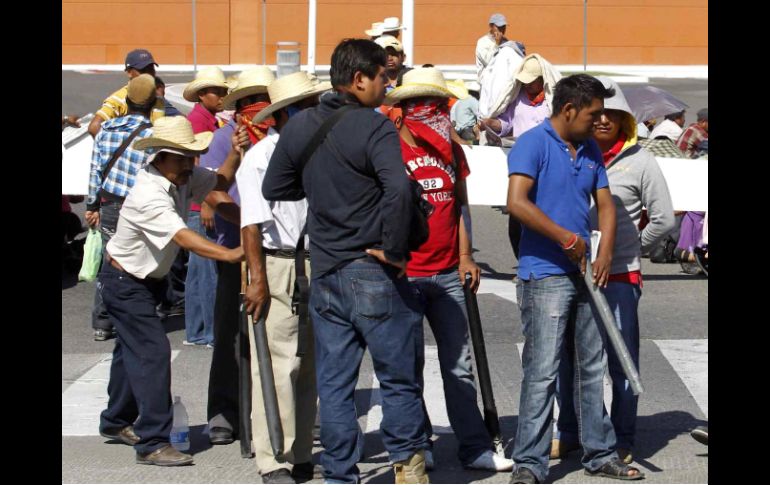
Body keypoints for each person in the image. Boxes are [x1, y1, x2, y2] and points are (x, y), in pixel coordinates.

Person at [262, 38, 430, 484]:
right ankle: (409, 470)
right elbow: (397, 188)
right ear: (359, 79)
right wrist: (394, 249)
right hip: (371, 268)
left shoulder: (299, 127)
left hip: (326, 270)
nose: (387, 84)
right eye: (383, 77)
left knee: (334, 385)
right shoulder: (375, 128)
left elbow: (275, 188)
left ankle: (340, 474)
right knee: (398, 378)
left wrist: (321, 187)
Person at [506, 74, 643, 483]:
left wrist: (602, 252)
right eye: (593, 113)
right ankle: (528, 464)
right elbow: (517, 202)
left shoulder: (590, 151)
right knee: (543, 370)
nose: (599, 121)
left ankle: (599, 452)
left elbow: (605, 206)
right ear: (568, 110)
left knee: (591, 364)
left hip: (585, 274)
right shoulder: (533, 144)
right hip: (544, 274)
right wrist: (564, 237)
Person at [384, 67, 514, 472]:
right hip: (405, 275)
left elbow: (459, 205)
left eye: (440, 106)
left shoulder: (452, 152)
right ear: (403, 112)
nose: (436, 114)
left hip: (447, 272)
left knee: (459, 364)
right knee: (409, 366)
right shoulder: (387, 151)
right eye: (425, 107)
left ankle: (473, 445)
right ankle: (419, 445)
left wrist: (466, 256)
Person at [97, 115, 246, 466]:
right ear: (160, 158)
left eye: (191, 156)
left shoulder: (182, 177)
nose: (189, 164)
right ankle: (152, 441)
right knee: (152, 353)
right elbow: (184, 237)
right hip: (125, 282)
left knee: (129, 351)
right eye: (181, 158)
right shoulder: (149, 193)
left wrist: (236, 154)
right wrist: (230, 253)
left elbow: (219, 182)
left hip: (146, 280)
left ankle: (116, 421)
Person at [554, 77, 675, 466]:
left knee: (621, 362)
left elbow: (664, 219)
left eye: (614, 114)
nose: (604, 120)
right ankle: (570, 433)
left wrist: (630, 250)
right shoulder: (577, 153)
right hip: (573, 272)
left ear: (626, 120)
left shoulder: (641, 161)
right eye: (599, 113)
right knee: (569, 360)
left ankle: (622, 437)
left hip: (620, 275)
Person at [237, 70, 331, 484]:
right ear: (290, 113)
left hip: (316, 262)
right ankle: (273, 456)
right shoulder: (260, 157)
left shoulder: (320, 152)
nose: (317, 113)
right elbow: (251, 225)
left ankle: (301, 451)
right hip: (277, 264)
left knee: (309, 363)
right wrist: (257, 279)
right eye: (310, 107)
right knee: (277, 364)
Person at [202, 65, 277, 445]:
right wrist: (245, 217)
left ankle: (284, 411)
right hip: (237, 250)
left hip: (279, 252)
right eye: (247, 103)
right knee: (230, 334)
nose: (254, 110)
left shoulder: (286, 138)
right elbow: (212, 193)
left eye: (260, 101)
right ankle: (224, 412)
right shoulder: (222, 139)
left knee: (284, 338)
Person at [86, 74, 158, 341]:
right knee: (141, 260)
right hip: (142, 206)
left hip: (111, 204)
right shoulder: (154, 134)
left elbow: (95, 171)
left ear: (127, 101)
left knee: (110, 259)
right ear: (153, 105)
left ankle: (103, 322)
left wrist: (92, 204)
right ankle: (137, 317)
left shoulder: (107, 130)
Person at [181, 66, 231, 347]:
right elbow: (197, 164)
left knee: (199, 271)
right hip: (201, 205)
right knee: (207, 269)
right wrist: (207, 203)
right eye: (218, 91)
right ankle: (211, 332)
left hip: (198, 203)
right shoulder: (199, 122)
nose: (223, 95)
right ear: (202, 94)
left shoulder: (206, 118)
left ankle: (197, 330)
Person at [88, 49, 166, 137]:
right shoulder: (118, 99)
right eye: (143, 70)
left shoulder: (157, 93)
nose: (148, 74)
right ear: (129, 72)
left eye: (151, 69)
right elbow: (94, 127)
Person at [477, 14, 526, 121]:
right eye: (498, 27)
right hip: (487, 85)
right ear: (491, 26)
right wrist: (497, 44)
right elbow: (489, 61)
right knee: (488, 110)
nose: (502, 30)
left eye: (503, 27)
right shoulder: (482, 43)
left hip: (502, 83)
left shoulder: (506, 42)